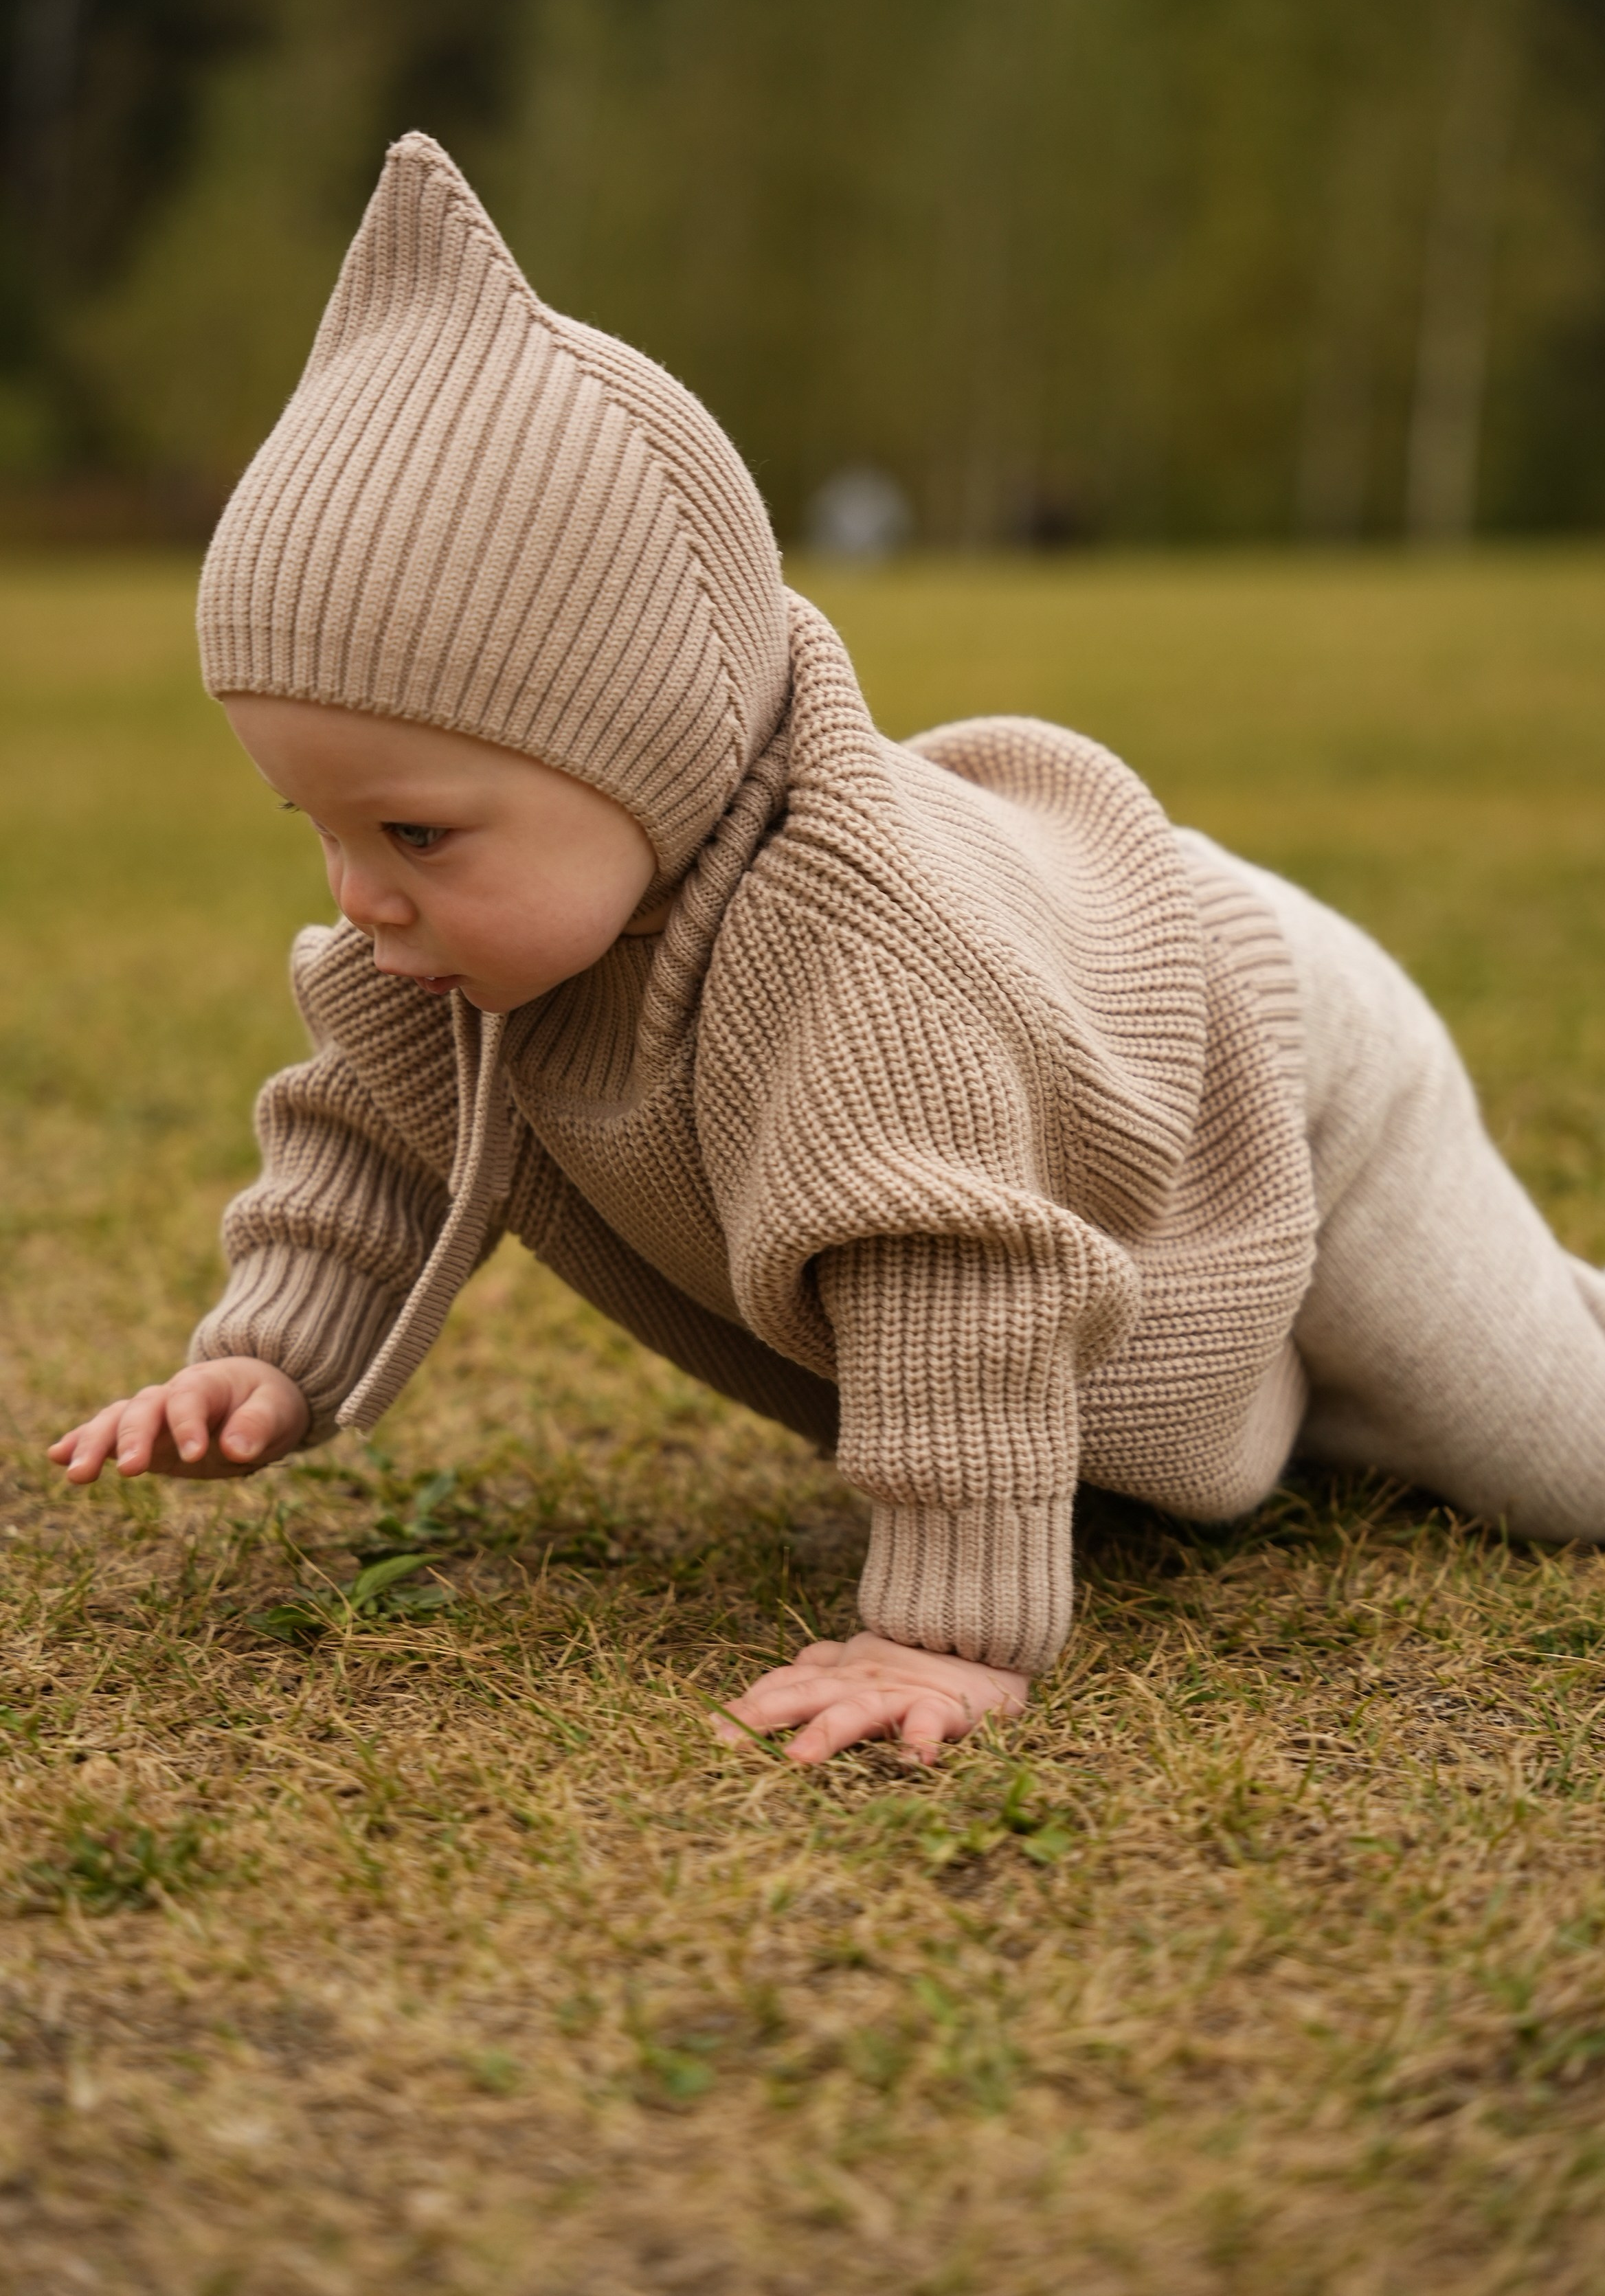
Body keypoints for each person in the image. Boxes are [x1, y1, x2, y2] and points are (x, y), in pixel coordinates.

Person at [48, 137, 1605, 1764]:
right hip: (1078, 1079)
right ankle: (1281, 1398)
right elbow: (372, 1138)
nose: (361, 895)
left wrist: (944, 1632)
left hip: (1264, 1050)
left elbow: (953, 1279)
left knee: (1544, 1453)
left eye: (417, 834)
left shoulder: (861, 970)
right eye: (319, 826)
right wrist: (269, 1357)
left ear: (648, 753)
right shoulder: (456, 950)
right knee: (1332, 1443)